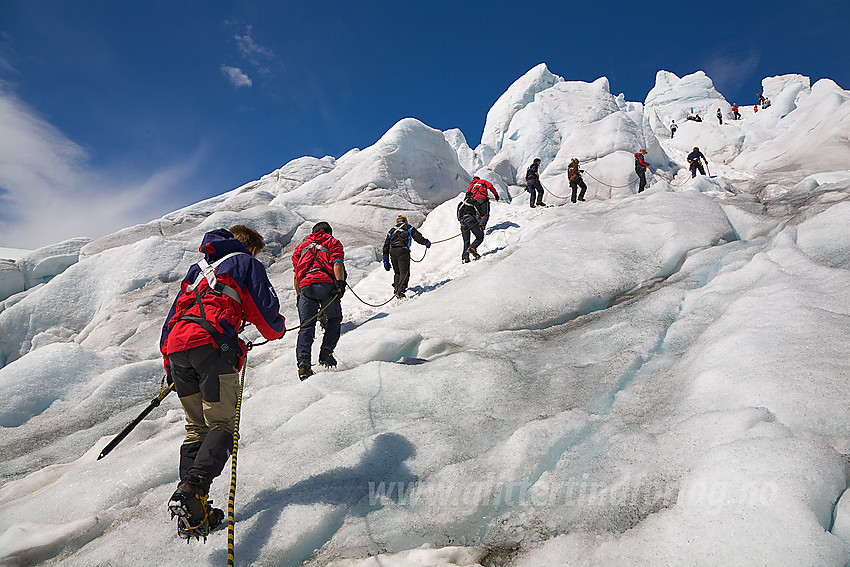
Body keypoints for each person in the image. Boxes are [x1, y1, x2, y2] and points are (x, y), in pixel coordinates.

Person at [161, 225, 286, 539]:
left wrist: (170, 368)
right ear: (249, 247)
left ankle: (193, 511)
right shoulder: (245, 263)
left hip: (177, 350)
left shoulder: (197, 270)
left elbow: (172, 318)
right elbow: (265, 313)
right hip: (211, 347)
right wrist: (278, 329)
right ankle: (193, 490)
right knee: (222, 426)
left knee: (195, 428)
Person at [291, 222, 346, 380]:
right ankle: (326, 353)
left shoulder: (301, 247)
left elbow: (296, 275)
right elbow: (337, 264)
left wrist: (299, 296)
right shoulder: (332, 242)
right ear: (329, 232)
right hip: (325, 286)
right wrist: (340, 284)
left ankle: (303, 366)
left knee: (306, 327)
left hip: (305, 288)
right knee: (334, 319)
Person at [382, 215, 430, 299]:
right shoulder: (408, 227)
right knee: (404, 272)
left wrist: (385, 260)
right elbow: (417, 237)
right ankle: (401, 292)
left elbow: (386, 245)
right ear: (405, 221)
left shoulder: (391, 231)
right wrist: (426, 242)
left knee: (397, 272)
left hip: (393, 252)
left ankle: (396, 289)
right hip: (403, 251)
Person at [457, 191, 484, 263]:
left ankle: (466, 258)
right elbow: (479, 210)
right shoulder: (472, 201)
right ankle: (472, 248)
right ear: (471, 196)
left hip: (462, 223)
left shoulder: (460, 204)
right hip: (470, 220)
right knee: (480, 236)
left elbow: (458, 217)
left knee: (466, 241)